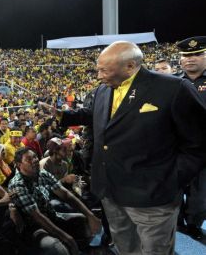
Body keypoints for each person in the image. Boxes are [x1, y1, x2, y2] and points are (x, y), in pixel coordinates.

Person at [43, 41, 206, 254]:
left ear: (130, 66)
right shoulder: (103, 89)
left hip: (152, 196)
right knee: (126, 248)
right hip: (111, 192)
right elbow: (99, 115)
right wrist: (63, 115)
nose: (98, 75)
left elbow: (198, 142)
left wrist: (172, 179)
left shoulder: (173, 88)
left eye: (104, 69)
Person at [8, 148, 101, 255]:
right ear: (19, 165)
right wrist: (67, 238)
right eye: (29, 159)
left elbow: (65, 194)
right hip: (33, 227)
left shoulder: (42, 174)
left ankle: (84, 250)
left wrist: (90, 215)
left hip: (50, 215)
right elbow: (37, 216)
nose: (34, 160)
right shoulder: (18, 184)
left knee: (82, 220)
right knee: (55, 247)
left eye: (35, 157)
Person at [176, 36, 206, 240]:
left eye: (197, 54)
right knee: (173, 186)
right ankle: (176, 221)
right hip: (177, 146)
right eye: (186, 55)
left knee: (201, 192)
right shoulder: (172, 82)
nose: (191, 59)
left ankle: (194, 223)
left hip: (204, 147)